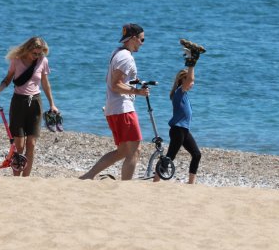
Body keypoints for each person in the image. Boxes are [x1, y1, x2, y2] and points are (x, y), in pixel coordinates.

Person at [80, 24, 148, 181]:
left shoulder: (117, 53)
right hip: (123, 109)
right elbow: (115, 84)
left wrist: (132, 84)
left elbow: (110, 80)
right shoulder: (126, 58)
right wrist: (137, 91)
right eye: (142, 39)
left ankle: (88, 177)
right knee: (134, 151)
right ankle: (125, 186)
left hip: (114, 108)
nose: (142, 43)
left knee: (123, 150)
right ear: (133, 39)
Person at [0, 36, 58, 177]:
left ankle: (26, 179)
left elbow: (45, 84)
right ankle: (16, 177)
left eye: (40, 53)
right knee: (19, 145)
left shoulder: (43, 61)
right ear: (28, 50)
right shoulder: (16, 60)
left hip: (35, 104)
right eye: (35, 53)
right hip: (18, 103)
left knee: (31, 145)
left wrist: (52, 104)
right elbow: (8, 79)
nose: (37, 56)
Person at [154, 39, 206, 184]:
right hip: (177, 130)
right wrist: (191, 64)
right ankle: (156, 181)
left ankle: (191, 183)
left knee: (196, 154)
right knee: (170, 156)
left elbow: (190, 80)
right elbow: (190, 79)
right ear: (183, 81)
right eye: (189, 81)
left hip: (184, 130)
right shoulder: (179, 92)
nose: (193, 83)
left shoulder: (184, 95)